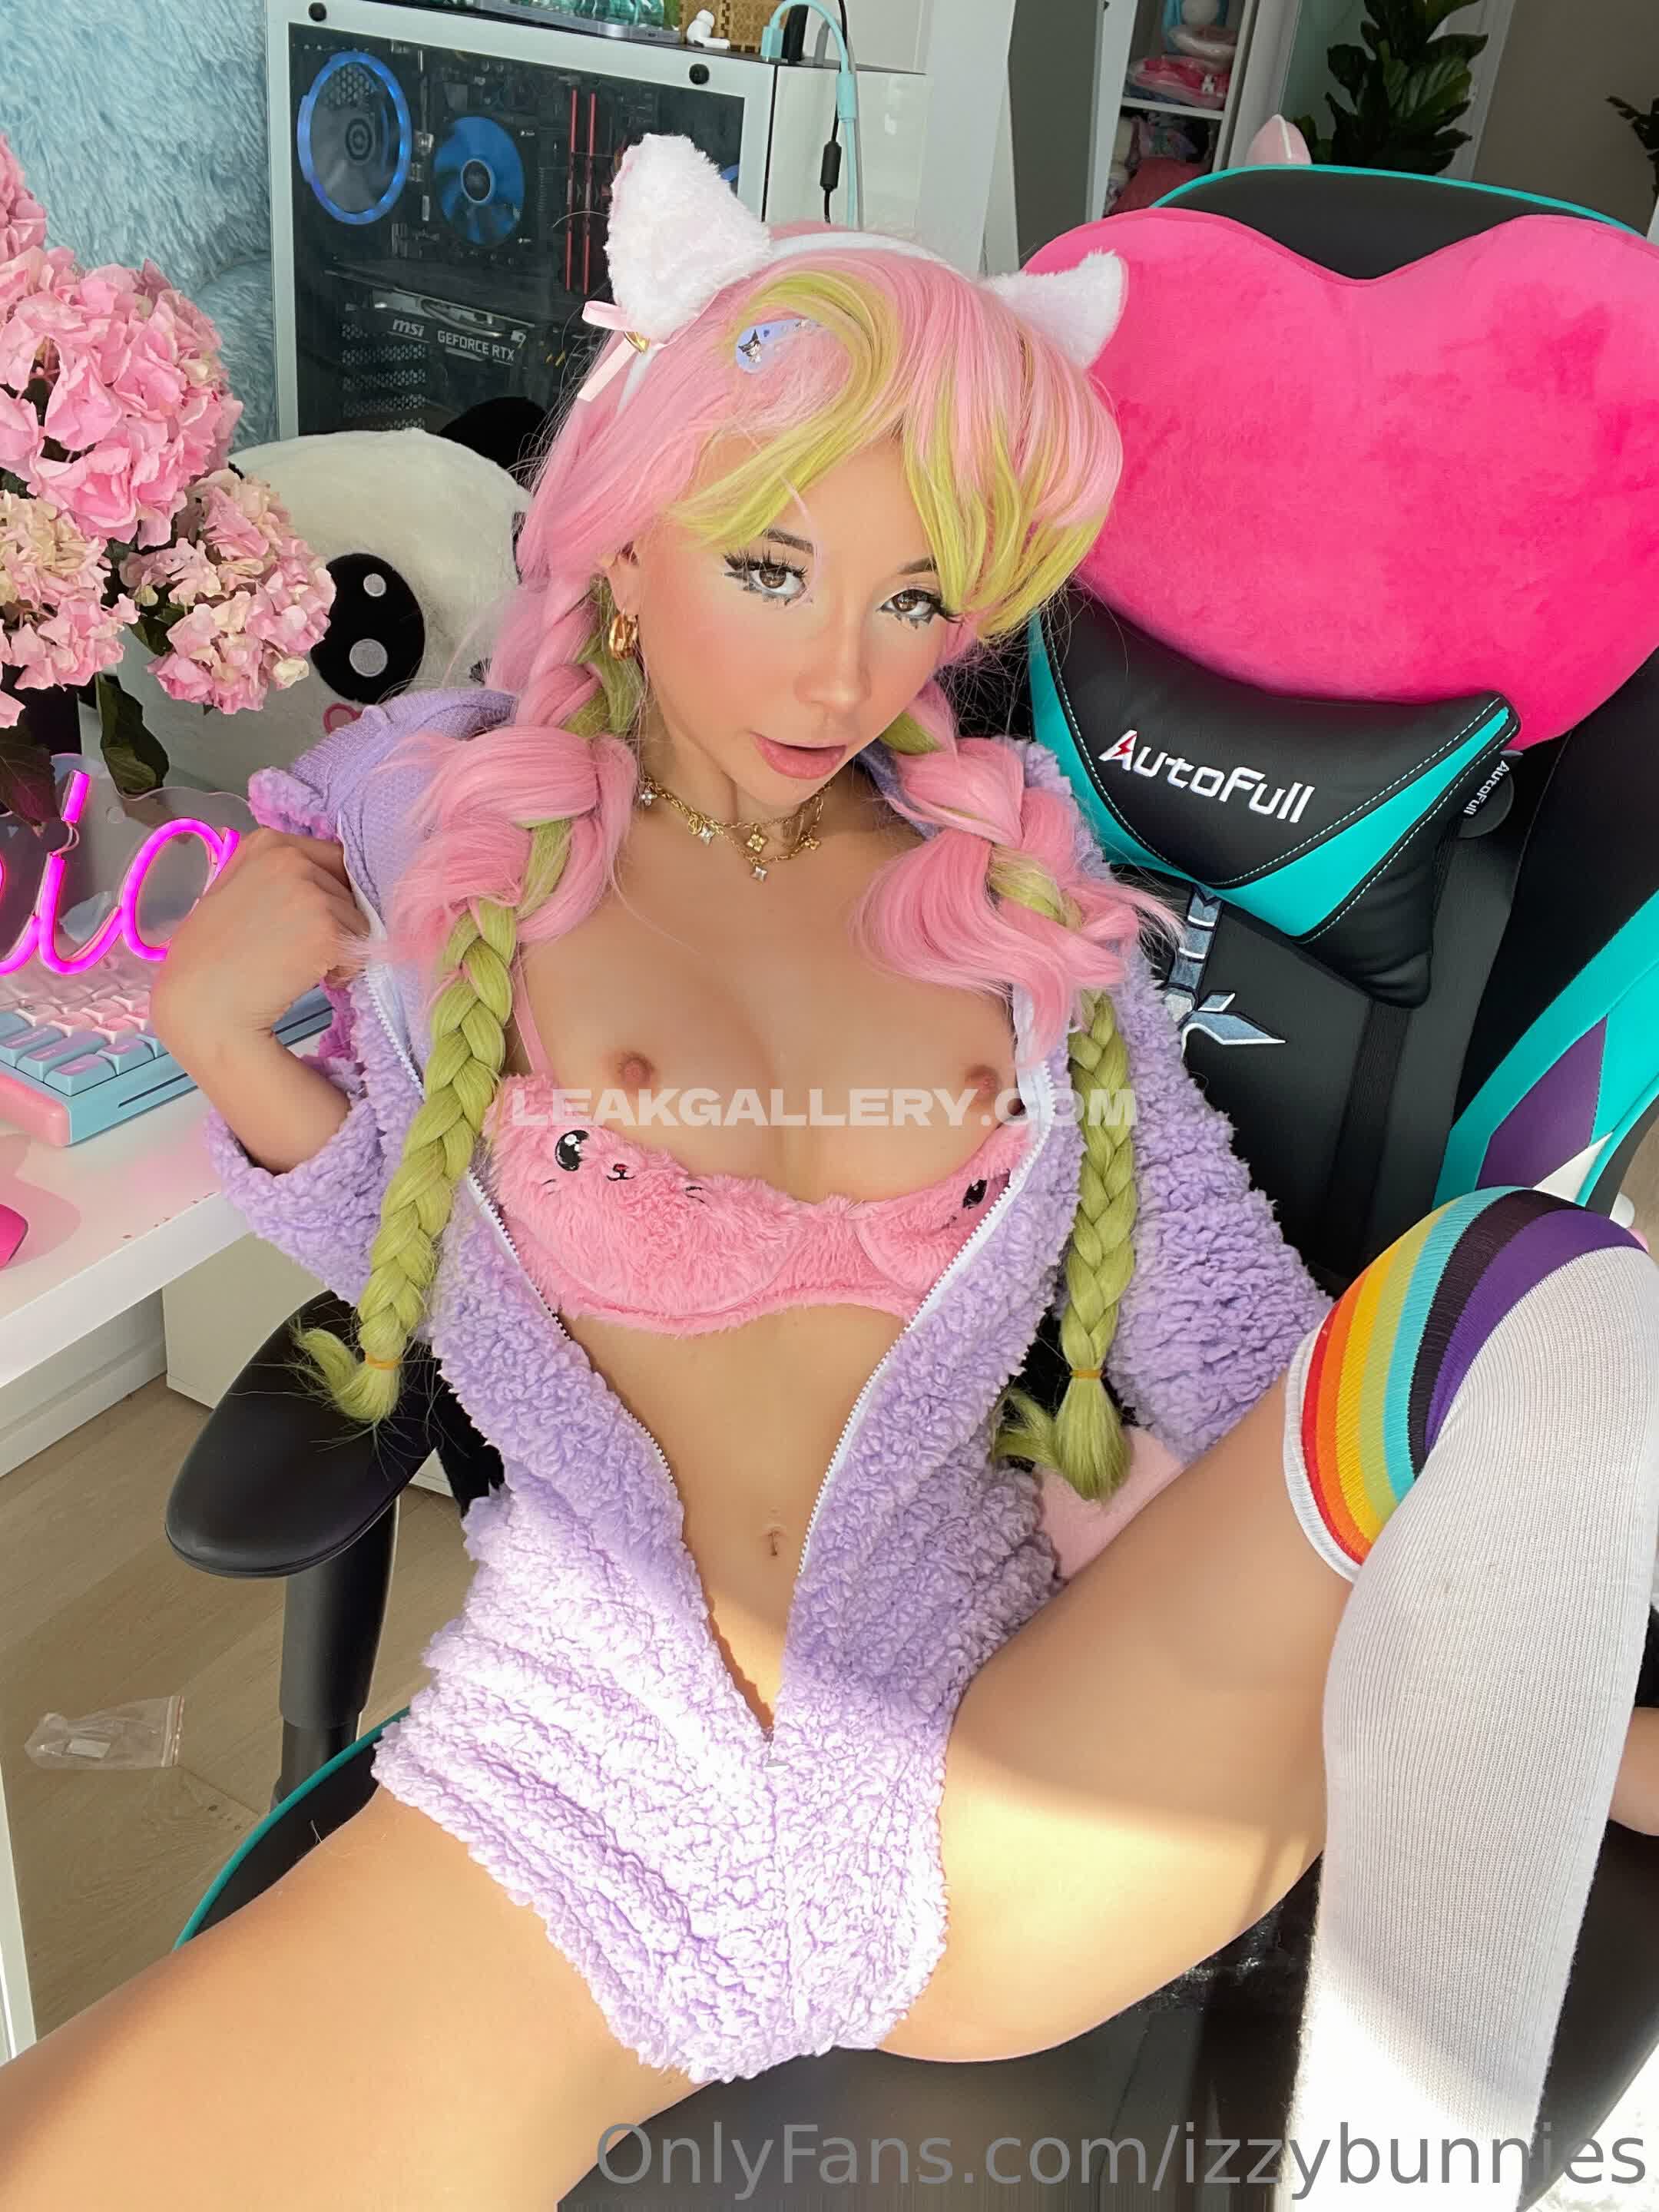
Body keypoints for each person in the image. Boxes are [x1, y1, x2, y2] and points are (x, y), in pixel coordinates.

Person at [2, 135, 1657, 2212]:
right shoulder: (435, 823)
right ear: (625, 535)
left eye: (917, 597)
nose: (842, 676)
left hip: (1024, 1784)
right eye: (772, 567)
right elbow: (418, 1269)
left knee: (1507, 1283)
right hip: (591, 1804)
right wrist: (227, 1044)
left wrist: (1537, 1698)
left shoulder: (1017, 894)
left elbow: (1247, 1350)